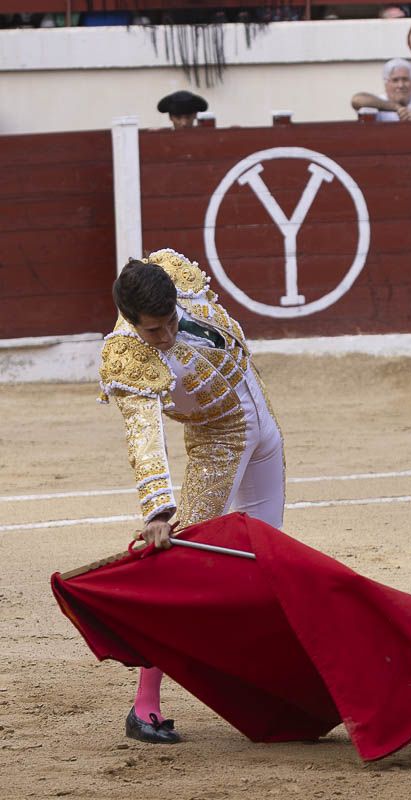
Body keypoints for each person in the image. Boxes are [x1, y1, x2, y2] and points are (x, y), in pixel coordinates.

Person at [98, 249, 286, 744]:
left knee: (266, 559)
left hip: (264, 427)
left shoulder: (173, 274)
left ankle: (269, 681)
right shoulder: (127, 356)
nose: (165, 337)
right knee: (182, 567)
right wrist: (158, 509)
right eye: (152, 331)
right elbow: (143, 433)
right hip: (216, 445)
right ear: (132, 323)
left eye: (168, 324)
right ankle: (145, 706)